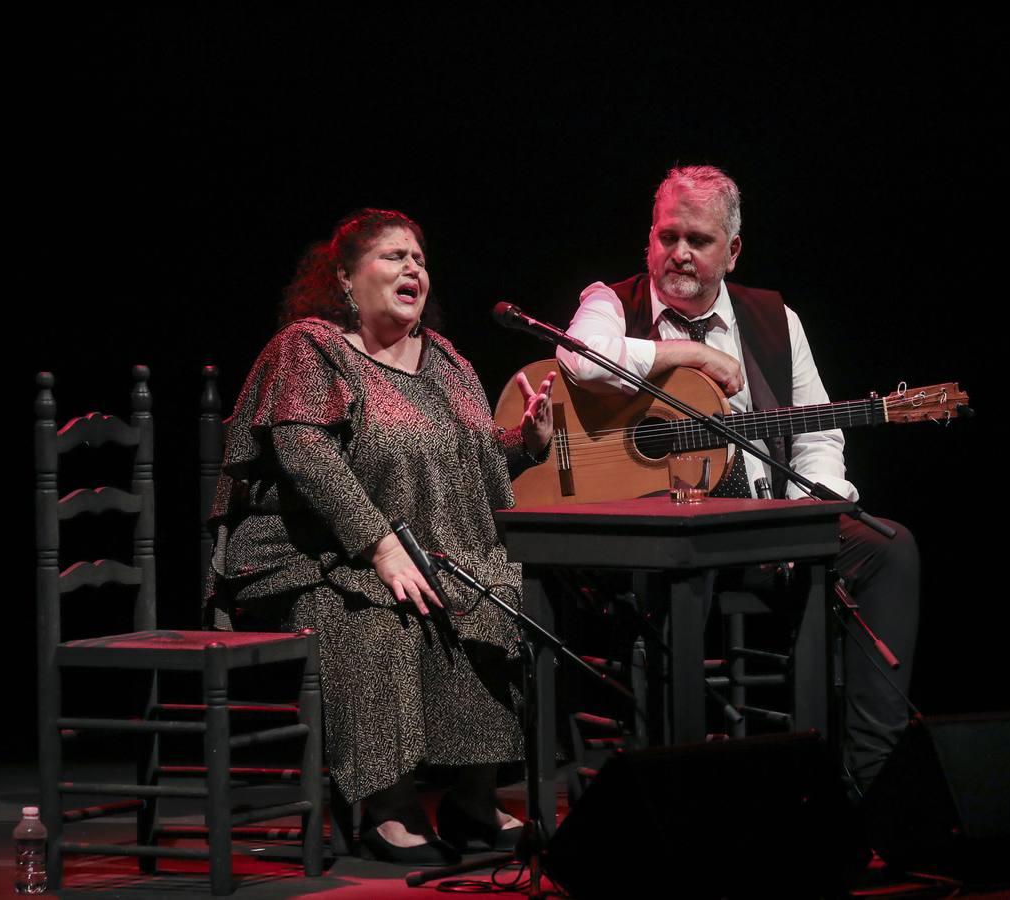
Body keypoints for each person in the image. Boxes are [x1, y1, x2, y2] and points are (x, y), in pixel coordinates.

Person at [555, 166, 919, 795]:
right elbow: (578, 357)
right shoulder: (611, 301)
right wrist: (691, 355)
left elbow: (817, 433)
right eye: (668, 236)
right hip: (658, 539)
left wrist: (811, 509)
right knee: (673, 574)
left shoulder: (776, 320)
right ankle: (680, 791)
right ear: (648, 238)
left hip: (765, 528)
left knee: (890, 549)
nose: (680, 254)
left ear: (733, 249)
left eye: (698, 240)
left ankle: (871, 779)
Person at [206, 208, 556, 863]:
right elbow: (303, 449)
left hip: (426, 551)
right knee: (375, 610)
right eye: (394, 257)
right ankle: (387, 808)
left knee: (491, 596)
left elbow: (462, 463)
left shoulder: (448, 362)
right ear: (345, 279)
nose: (412, 269)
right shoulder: (312, 348)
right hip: (311, 554)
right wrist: (380, 545)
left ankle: (473, 802)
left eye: (419, 259)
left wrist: (524, 446)